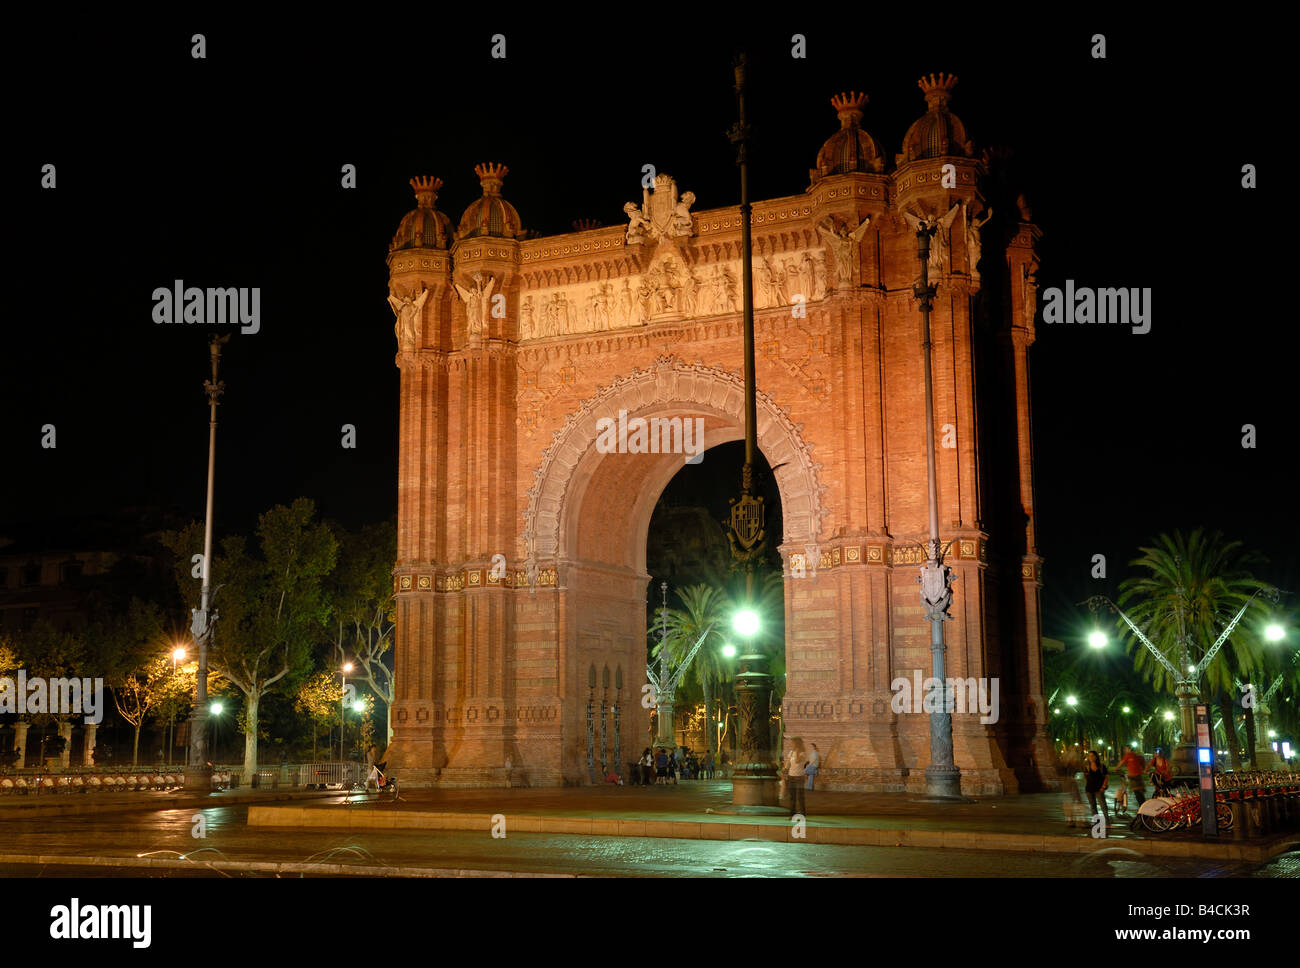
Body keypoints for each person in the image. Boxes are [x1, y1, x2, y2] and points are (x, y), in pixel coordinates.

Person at [1082, 749, 1109, 824]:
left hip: (1099, 789)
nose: (1090, 757)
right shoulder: (1087, 766)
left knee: (1103, 805)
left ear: (1096, 757)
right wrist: (1086, 776)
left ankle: (1107, 821)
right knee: (1093, 806)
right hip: (1089, 789)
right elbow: (1085, 777)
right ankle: (1096, 821)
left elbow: (1106, 777)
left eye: (1092, 756)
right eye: (1089, 756)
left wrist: (1103, 787)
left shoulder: (1101, 766)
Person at [784, 737, 808, 818]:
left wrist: (797, 751)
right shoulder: (791, 752)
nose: (791, 744)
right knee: (792, 797)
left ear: (797, 744)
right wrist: (785, 769)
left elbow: (797, 761)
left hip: (800, 777)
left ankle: (802, 813)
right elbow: (788, 764)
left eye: (793, 743)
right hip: (791, 776)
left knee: (800, 797)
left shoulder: (803, 753)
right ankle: (792, 814)